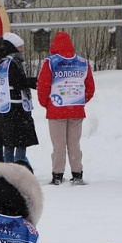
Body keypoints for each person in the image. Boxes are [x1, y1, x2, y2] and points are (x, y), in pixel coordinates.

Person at [36, 31, 95, 186]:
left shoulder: (51, 62)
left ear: (54, 45)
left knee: (59, 145)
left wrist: (46, 103)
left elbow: (43, 86)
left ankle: (57, 175)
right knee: (74, 144)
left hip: (56, 110)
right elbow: (90, 87)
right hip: (76, 109)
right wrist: (80, 101)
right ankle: (77, 174)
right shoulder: (82, 62)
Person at [0, 32, 38, 168]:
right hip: (6, 107)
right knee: (6, 140)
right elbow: (13, 83)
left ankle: (5, 168)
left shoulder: (4, 62)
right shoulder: (6, 63)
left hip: (5, 107)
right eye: (20, 47)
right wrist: (2, 96)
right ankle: (6, 168)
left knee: (7, 140)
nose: (22, 49)